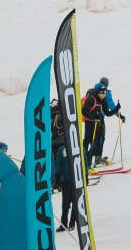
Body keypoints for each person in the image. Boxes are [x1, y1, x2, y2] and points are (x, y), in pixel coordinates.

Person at [51, 99, 78, 232]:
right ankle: (66, 223)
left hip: (54, 144)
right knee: (69, 202)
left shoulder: (51, 114)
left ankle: (70, 223)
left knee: (69, 202)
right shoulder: (62, 115)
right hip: (69, 178)